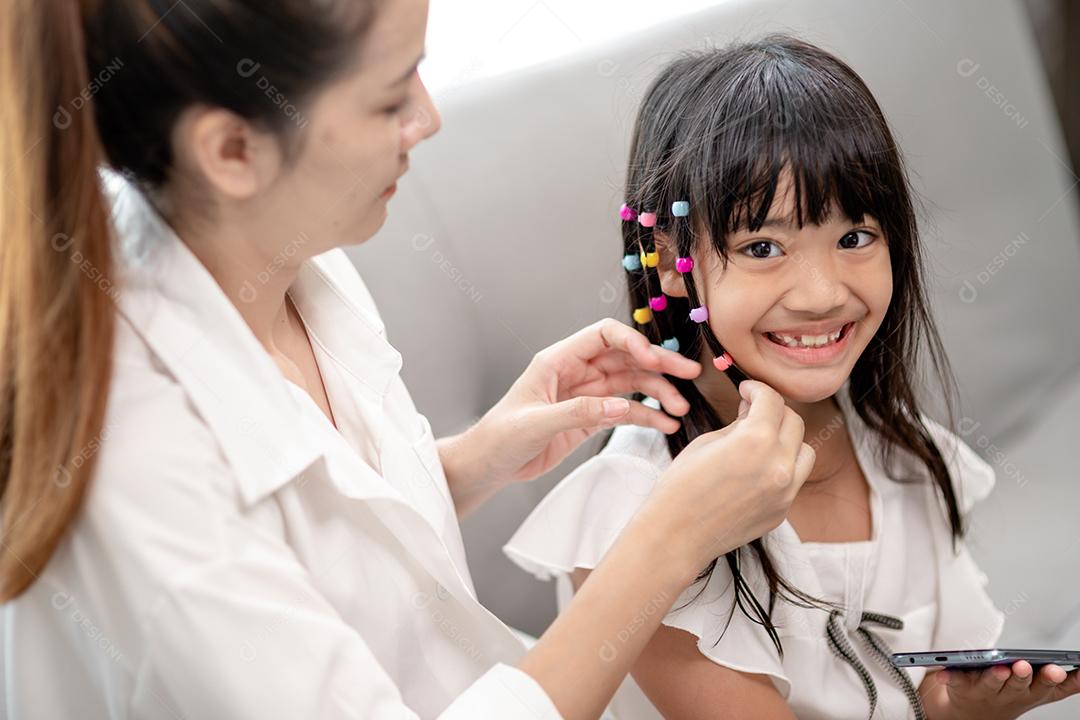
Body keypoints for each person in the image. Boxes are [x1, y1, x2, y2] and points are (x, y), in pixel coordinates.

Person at [0, 2, 816, 718]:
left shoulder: (293, 262)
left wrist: (469, 461)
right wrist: (665, 545)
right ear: (232, 151)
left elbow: (320, 541)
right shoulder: (136, 464)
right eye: (393, 96)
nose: (428, 119)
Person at [505, 35, 1080, 719]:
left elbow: (930, 691)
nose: (821, 292)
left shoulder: (901, 456)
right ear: (666, 262)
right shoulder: (635, 516)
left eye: (855, 237)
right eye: (764, 247)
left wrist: (956, 710)